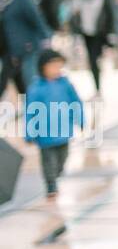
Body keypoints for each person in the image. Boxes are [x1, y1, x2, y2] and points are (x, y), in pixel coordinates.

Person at [24, 49, 84, 200]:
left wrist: (80, 119)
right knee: (48, 162)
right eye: (53, 67)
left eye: (59, 66)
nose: (56, 70)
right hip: (44, 134)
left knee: (62, 160)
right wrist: (30, 132)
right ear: (43, 68)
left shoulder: (65, 84)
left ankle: (56, 175)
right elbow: (30, 111)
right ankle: (51, 185)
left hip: (63, 132)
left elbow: (75, 102)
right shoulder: (36, 88)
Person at [0, 0, 52, 93]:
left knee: (29, 80)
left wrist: (46, 38)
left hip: (27, 46)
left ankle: (35, 109)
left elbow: (37, 19)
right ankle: (27, 106)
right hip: (10, 48)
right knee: (13, 80)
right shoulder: (3, 0)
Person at [68, 0, 116, 99]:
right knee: (92, 61)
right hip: (86, 33)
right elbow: (74, 14)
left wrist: (111, 37)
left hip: (100, 34)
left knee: (95, 60)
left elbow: (111, 15)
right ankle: (97, 89)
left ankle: (98, 88)